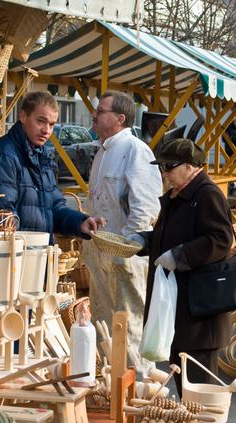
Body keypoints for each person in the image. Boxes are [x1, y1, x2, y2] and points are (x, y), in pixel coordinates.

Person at [131, 138, 233, 395]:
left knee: (200, 392)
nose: (164, 173)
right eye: (161, 167)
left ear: (189, 166)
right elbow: (169, 237)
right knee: (184, 384)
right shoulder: (178, 195)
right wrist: (143, 240)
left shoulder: (207, 193)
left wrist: (180, 255)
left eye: (168, 167)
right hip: (180, 310)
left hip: (200, 313)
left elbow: (220, 240)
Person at [82, 91, 162, 376]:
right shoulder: (102, 151)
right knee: (104, 326)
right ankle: (111, 389)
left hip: (125, 257)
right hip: (102, 254)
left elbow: (146, 207)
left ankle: (140, 387)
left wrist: (127, 250)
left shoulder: (135, 150)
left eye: (101, 111)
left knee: (129, 325)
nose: (95, 114)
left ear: (119, 118)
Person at [0, 91, 104, 240]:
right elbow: (0, 222)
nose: (47, 130)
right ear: (23, 116)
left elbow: (53, 208)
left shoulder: (42, 156)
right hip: (11, 257)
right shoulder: (1, 157)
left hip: (35, 255)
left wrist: (80, 222)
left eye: (51, 124)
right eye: (40, 121)